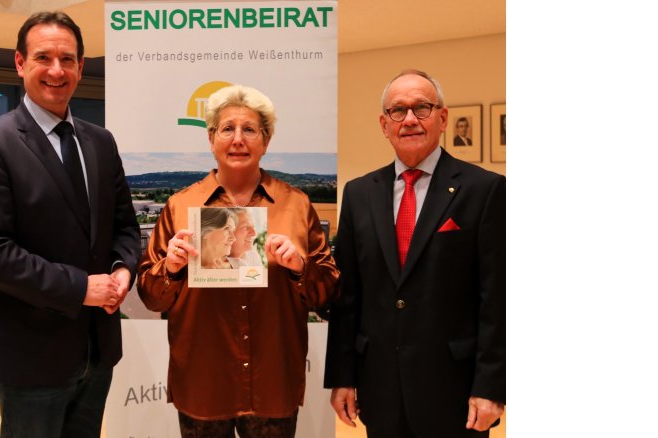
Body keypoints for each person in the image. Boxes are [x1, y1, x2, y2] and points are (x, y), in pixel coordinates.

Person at [0, 11, 141, 438]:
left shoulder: (100, 140)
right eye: (44, 57)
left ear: (81, 65)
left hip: (98, 351)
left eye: (68, 59)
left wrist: (122, 269)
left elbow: (125, 227)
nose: (57, 70)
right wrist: (82, 288)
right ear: (20, 63)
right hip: (30, 356)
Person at [137, 84, 339, 437]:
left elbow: (328, 294)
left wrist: (300, 269)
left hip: (272, 380)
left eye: (250, 130)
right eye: (227, 129)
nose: (238, 139)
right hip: (202, 380)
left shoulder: (296, 205)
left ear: (266, 140)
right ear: (211, 138)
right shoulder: (180, 206)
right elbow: (152, 297)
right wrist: (169, 269)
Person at [324, 69, 505, 437]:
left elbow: (497, 299)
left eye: (422, 108)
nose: (409, 119)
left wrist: (491, 387)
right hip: (380, 390)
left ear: (442, 118)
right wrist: (342, 376)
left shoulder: (485, 190)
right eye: (398, 110)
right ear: (383, 123)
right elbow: (349, 297)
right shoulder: (359, 194)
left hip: (454, 393)